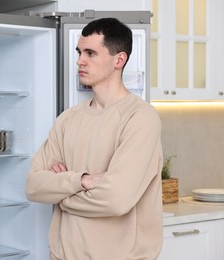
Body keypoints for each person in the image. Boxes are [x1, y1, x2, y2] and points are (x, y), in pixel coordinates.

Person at [25, 17, 163, 260]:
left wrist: (61, 195)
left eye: (90, 53)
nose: (79, 61)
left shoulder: (140, 118)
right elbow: (33, 187)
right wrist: (83, 180)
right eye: (79, 52)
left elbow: (116, 200)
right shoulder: (68, 119)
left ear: (119, 59)